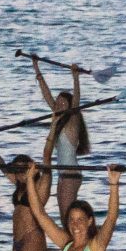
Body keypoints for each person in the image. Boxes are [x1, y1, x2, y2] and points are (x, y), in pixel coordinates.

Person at [33, 59, 89, 219]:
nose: (58, 104)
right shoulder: (58, 121)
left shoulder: (73, 121)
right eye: (57, 102)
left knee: (67, 217)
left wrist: (75, 77)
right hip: (63, 174)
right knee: (65, 216)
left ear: (70, 106)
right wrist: (36, 67)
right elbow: (46, 94)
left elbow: (77, 100)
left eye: (63, 102)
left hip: (70, 175)